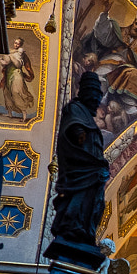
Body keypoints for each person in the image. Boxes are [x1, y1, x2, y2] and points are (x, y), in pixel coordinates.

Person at [47, 71, 110, 261]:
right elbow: (74, 129)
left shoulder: (87, 115)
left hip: (91, 168)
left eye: (97, 96)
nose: (96, 100)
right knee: (78, 200)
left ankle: (84, 229)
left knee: (95, 203)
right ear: (86, 94)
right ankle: (73, 228)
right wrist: (80, 134)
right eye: (93, 96)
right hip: (80, 168)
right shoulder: (75, 108)